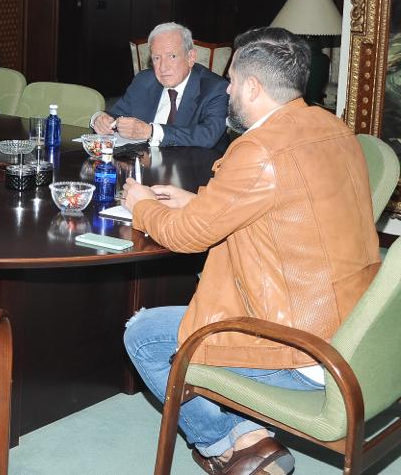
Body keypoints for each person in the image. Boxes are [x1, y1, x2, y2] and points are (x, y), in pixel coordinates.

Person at [122, 27, 380, 475]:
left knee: (143, 334)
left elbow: (187, 237)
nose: (226, 89)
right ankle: (252, 439)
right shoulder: (332, 127)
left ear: (253, 87)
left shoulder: (257, 149)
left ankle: (232, 443)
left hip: (302, 350)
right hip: (355, 330)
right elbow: (277, 201)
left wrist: (142, 206)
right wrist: (198, 200)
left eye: (233, 80)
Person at [92, 22, 228, 148]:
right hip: (145, 166)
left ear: (191, 57)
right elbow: (115, 115)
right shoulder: (144, 80)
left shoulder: (215, 88)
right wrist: (100, 119)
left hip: (194, 169)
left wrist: (151, 132)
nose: (163, 67)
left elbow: (208, 135)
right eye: (157, 58)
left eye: (172, 56)